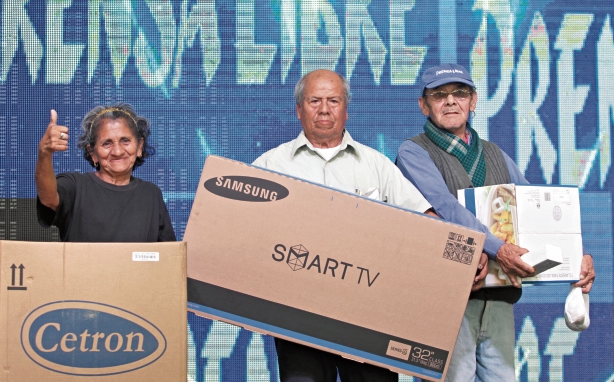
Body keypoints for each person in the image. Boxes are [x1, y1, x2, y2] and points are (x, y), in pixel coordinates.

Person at [395, 63, 595, 381]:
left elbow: (538, 208)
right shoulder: (413, 152)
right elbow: (445, 208)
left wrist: (576, 255)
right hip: (445, 298)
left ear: (473, 101)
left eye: (459, 93)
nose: (450, 101)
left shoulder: (495, 154)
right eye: (438, 94)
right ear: (423, 105)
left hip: (498, 298)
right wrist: (497, 248)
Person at [253, 69, 438, 382]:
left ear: (346, 110)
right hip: (297, 315)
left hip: (368, 316)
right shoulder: (270, 166)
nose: (324, 109)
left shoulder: (376, 165)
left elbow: (427, 223)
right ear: (299, 109)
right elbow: (243, 235)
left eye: (333, 100)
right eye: (314, 101)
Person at [35, 103, 176, 242]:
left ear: (139, 146)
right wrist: (44, 152)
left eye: (125, 141)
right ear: (92, 152)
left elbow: (169, 256)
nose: (117, 151)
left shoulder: (151, 194)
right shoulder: (76, 186)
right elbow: (48, 199)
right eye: (107, 143)